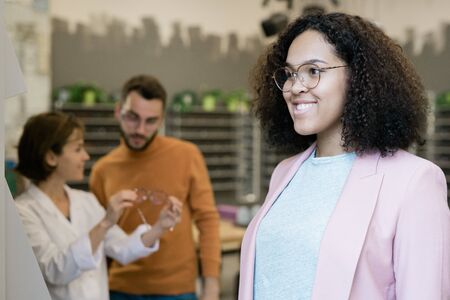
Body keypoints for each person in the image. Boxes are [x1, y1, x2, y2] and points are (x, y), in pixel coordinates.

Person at [239, 12, 450, 300]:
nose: (296, 87)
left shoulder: (414, 181)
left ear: (359, 78)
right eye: (289, 73)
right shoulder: (286, 172)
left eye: (313, 71)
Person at [14, 112, 182, 300]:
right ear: (51, 157)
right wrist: (105, 223)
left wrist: (160, 226)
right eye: (78, 149)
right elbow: (55, 270)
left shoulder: (86, 201)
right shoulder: (21, 212)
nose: (86, 156)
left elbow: (124, 249)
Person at [89, 75, 221, 300]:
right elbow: (101, 236)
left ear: (161, 121)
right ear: (118, 111)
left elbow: (208, 220)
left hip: (177, 289)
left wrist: (211, 286)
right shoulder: (102, 170)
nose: (140, 129)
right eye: (133, 117)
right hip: (120, 288)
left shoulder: (187, 155)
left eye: (151, 121)